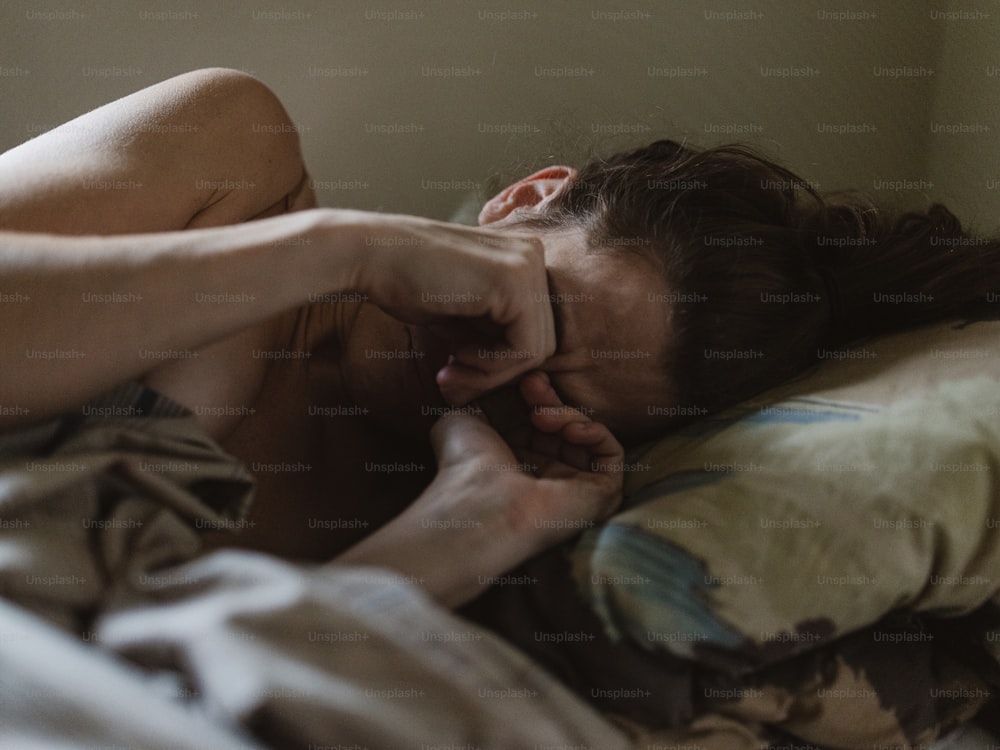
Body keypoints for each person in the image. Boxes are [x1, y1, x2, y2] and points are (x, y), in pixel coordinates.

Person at [2, 68, 996, 604]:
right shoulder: (232, 158)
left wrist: (465, 532)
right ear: (524, 200)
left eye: (553, 392)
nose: (492, 372)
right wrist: (338, 251)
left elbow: (184, 692)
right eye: (541, 315)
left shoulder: (456, 511)